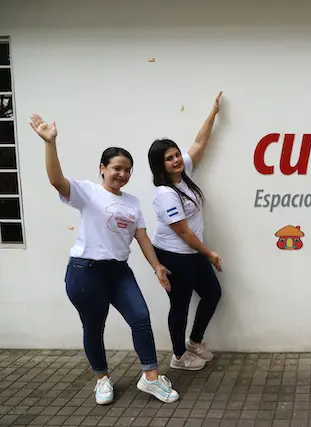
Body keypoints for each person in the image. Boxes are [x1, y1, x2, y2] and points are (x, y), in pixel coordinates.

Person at [29, 113, 180, 404]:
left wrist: (157, 266)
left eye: (127, 170)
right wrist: (50, 143)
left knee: (140, 318)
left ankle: (150, 378)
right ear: (103, 168)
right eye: (116, 168)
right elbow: (56, 180)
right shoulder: (88, 192)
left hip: (118, 272)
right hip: (85, 272)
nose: (122, 174)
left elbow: (143, 238)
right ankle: (101, 378)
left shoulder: (133, 202)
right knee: (94, 327)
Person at [147, 92, 224, 371]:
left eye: (177, 154)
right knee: (178, 306)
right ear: (160, 165)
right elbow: (183, 232)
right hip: (175, 255)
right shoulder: (165, 194)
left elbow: (200, 143)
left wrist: (213, 113)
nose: (177, 159)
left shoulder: (183, 176)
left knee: (212, 293)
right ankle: (178, 356)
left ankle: (194, 342)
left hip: (192, 252)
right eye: (169, 158)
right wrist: (210, 254)